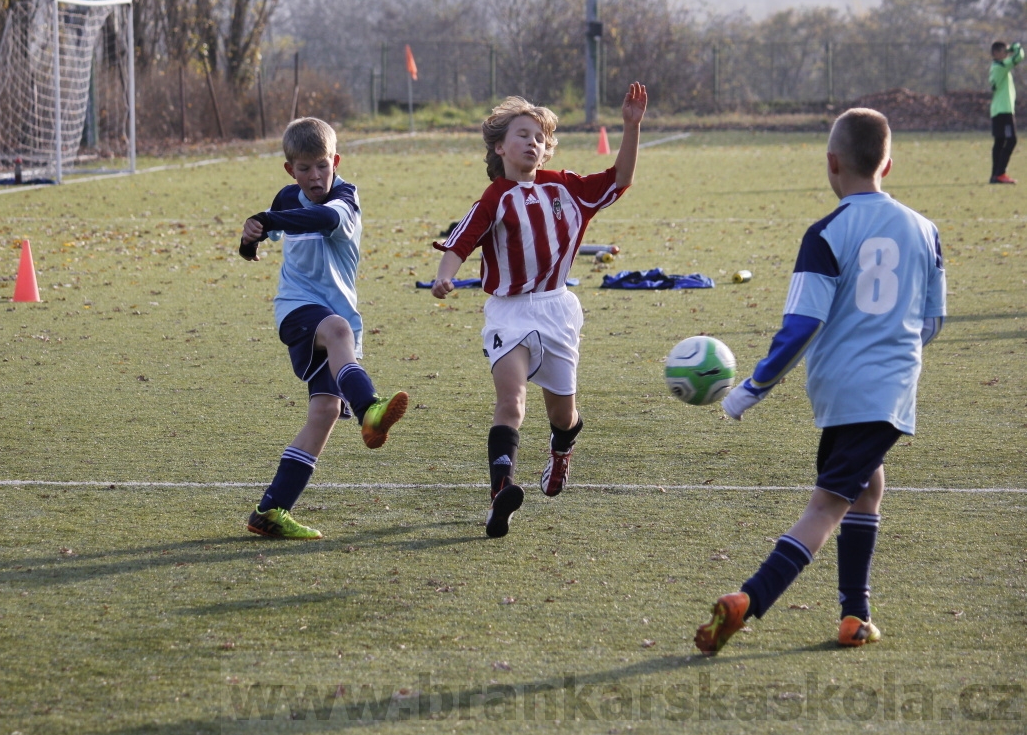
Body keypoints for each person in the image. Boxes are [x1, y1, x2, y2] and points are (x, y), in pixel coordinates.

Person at [695, 107, 947, 655]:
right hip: (887, 388)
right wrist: (890, 352)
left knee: (866, 486)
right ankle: (748, 600)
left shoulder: (826, 233)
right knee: (826, 507)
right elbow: (931, 324)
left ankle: (854, 615)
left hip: (838, 387)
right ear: (889, 163)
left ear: (832, 163)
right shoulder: (926, 231)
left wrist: (752, 387)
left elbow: (802, 327)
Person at [430, 84, 648, 539]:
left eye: (540, 137)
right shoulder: (493, 198)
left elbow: (620, 178)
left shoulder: (567, 188)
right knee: (511, 403)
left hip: (557, 310)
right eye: (523, 134)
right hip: (509, 313)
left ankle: (561, 450)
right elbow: (460, 241)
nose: (533, 142)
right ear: (499, 147)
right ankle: (500, 493)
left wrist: (632, 127)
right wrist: (443, 275)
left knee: (562, 416)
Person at [239, 117, 408, 540]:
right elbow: (261, 235)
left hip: (339, 322)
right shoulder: (285, 197)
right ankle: (369, 408)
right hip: (299, 312)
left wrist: (268, 219)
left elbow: (318, 220)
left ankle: (270, 511)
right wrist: (250, 239)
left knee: (325, 412)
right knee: (335, 330)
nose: (314, 177)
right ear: (289, 170)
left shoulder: (345, 199)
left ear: (335, 161)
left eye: (321, 166)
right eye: (304, 168)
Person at [989, 40, 1023, 185]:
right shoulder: (1001, 65)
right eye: (1003, 51)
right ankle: (1000, 173)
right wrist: (1014, 46)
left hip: (998, 110)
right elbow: (1020, 56)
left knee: (1000, 142)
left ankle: (995, 175)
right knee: (1011, 140)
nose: (1006, 53)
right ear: (996, 53)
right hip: (1004, 110)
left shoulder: (996, 67)